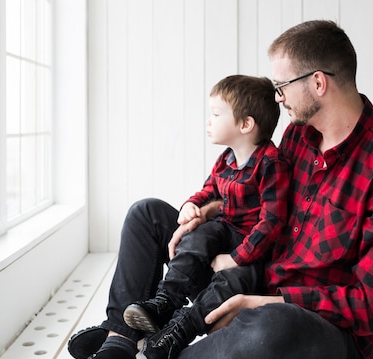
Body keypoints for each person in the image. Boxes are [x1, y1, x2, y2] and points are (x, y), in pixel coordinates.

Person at [15, 19, 373, 359]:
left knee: (270, 328)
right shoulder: (298, 136)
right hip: (254, 270)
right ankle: (118, 343)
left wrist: (265, 301)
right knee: (147, 215)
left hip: (320, 328)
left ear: (318, 83)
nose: (278, 97)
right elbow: (260, 202)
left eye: (281, 85)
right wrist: (208, 214)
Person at [123, 74, 289, 341]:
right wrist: (191, 205)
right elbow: (209, 190)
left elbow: (272, 222)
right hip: (224, 230)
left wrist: (235, 258)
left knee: (232, 280)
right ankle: (165, 300)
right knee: (196, 238)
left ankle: (178, 331)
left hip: (251, 249)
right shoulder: (226, 159)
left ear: (246, 124)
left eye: (216, 114)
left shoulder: (270, 163)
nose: (208, 121)